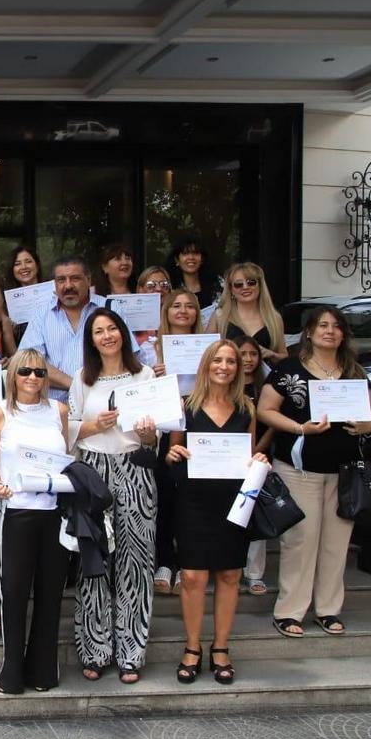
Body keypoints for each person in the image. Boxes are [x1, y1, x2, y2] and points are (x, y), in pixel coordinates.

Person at [258, 306, 371, 640]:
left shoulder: (354, 372)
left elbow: (370, 418)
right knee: (300, 540)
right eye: (322, 325)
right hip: (300, 470)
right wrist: (299, 428)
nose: (329, 331)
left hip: (344, 471)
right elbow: (265, 410)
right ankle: (289, 611)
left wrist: (366, 426)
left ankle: (328, 609)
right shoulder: (289, 369)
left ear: (343, 334)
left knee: (336, 543)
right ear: (309, 332)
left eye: (336, 326)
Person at [165, 339, 269, 685]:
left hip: (233, 503)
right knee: (193, 577)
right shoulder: (186, 406)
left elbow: (249, 456)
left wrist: (258, 461)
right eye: (218, 360)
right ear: (206, 365)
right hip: (194, 502)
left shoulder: (247, 408)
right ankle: (192, 647)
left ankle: (221, 647)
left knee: (229, 576)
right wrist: (173, 455)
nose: (224, 367)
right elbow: (171, 454)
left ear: (238, 369)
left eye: (231, 362)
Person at [68, 307, 159, 684]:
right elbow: (69, 429)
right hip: (92, 472)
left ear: (123, 333)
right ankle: (95, 649)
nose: (106, 336)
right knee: (93, 561)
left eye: (112, 329)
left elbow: (155, 435)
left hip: (134, 469)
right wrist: (94, 425)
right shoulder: (82, 379)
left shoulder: (145, 375)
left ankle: (131, 651)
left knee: (136, 562)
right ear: (91, 341)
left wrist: (150, 434)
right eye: (98, 331)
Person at [0, 348, 71, 694]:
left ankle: (44, 671)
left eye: (39, 372)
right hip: (17, 509)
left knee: (50, 592)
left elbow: (66, 458)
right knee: (14, 591)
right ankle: (12, 671)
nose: (32, 377)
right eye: (25, 371)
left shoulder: (59, 411)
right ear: (13, 375)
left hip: (54, 510)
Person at [151, 287, 204, 594]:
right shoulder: (150, 349)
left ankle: (188, 560)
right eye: (176, 306)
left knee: (192, 495)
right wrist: (155, 375)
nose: (183, 311)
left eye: (189, 306)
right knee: (164, 493)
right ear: (166, 312)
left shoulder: (210, 348)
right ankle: (165, 560)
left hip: (199, 423)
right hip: (163, 426)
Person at [19, 256, 107, 403]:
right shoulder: (41, 314)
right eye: (61, 280)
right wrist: (77, 387)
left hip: (102, 401)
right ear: (54, 284)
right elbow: (28, 361)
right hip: (52, 407)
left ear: (88, 280)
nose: (68, 286)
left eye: (75, 278)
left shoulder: (110, 308)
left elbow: (125, 358)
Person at [237, 334, 277, 595]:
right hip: (228, 460)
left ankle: (254, 573)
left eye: (253, 354)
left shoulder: (265, 388)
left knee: (255, 512)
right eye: (242, 354)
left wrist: (256, 451)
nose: (248, 359)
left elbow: (272, 424)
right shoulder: (225, 386)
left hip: (259, 457)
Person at [207, 262, 289, 365]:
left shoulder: (274, 318)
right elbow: (205, 352)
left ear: (260, 286)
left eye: (251, 282)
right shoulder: (219, 316)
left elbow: (283, 355)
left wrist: (271, 354)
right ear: (231, 290)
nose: (245, 287)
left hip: (264, 374)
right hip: (229, 373)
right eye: (238, 284)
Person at [167, 239, 221, 311]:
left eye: (195, 253)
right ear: (177, 260)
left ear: (202, 259)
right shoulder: (169, 287)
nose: (191, 257)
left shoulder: (217, 283)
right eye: (185, 253)